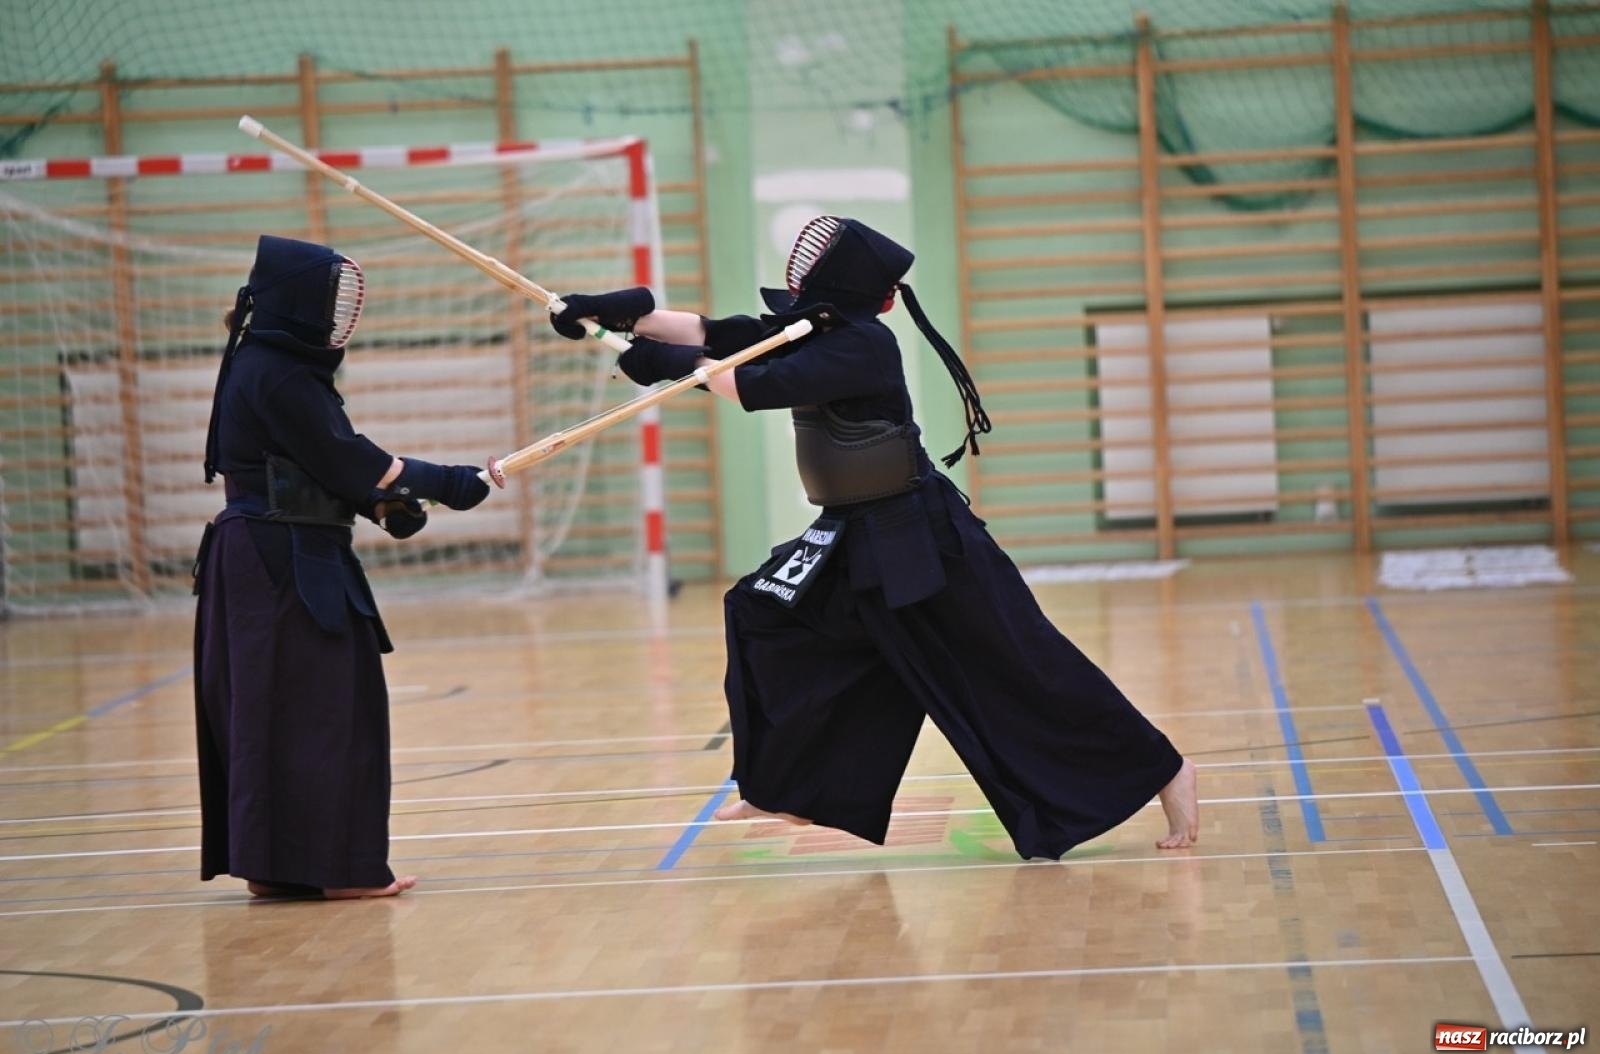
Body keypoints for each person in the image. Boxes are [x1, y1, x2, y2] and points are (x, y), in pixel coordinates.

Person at [554, 218, 1199, 860]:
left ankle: (1164, 771)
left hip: (924, 536)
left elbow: (742, 381)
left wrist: (680, 366)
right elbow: (716, 334)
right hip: (853, 533)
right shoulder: (816, 330)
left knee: (1022, 664)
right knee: (765, 618)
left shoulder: (861, 346)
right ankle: (785, 787)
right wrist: (621, 317)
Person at [194, 235, 493, 899]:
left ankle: (278, 868)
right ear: (298, 301)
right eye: (326, 299)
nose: (335, 315)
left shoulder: (268, 365)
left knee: (283, 713)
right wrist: (444, 480)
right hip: (281, 564)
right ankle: (338, 870)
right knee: (332, 711)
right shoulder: (275, 371)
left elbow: (311, 466)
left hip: (277, 555)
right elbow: (347, 456)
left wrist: (382, 506)